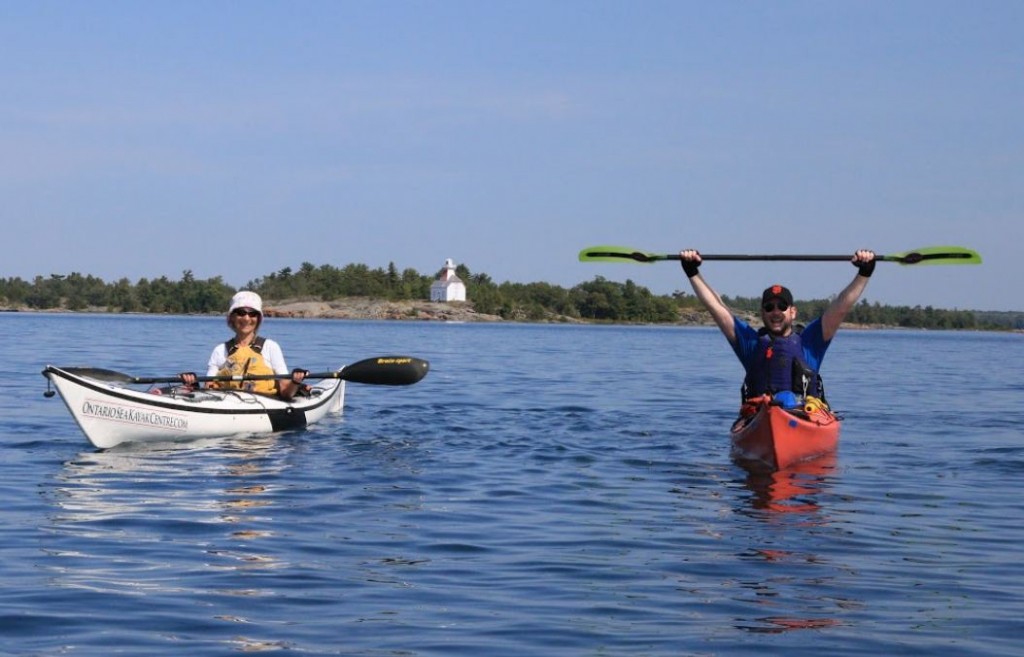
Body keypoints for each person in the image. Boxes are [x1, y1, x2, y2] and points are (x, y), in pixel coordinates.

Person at [678, 249, 876, 407]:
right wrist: (692, 271)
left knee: (789, 400)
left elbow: (841, 307)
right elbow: (717, 308)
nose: (775, 312)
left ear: (793, 312)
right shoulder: (751, 343)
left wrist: (864, 272)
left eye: (782, 306)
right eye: (769, 307)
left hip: (803, 414)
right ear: (762, 313)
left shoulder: (811, 342)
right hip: (762, 415)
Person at [179, 291, 308, 400]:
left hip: (264, 406)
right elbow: (208, 389)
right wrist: (194, 385)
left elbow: (286, 392)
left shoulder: (270, 347)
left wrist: (295, 381)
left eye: (252, 314)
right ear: (232, 318)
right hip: (226, 406)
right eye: (241, 312)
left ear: (258, 319)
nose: (246, 318)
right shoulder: (220, 350)